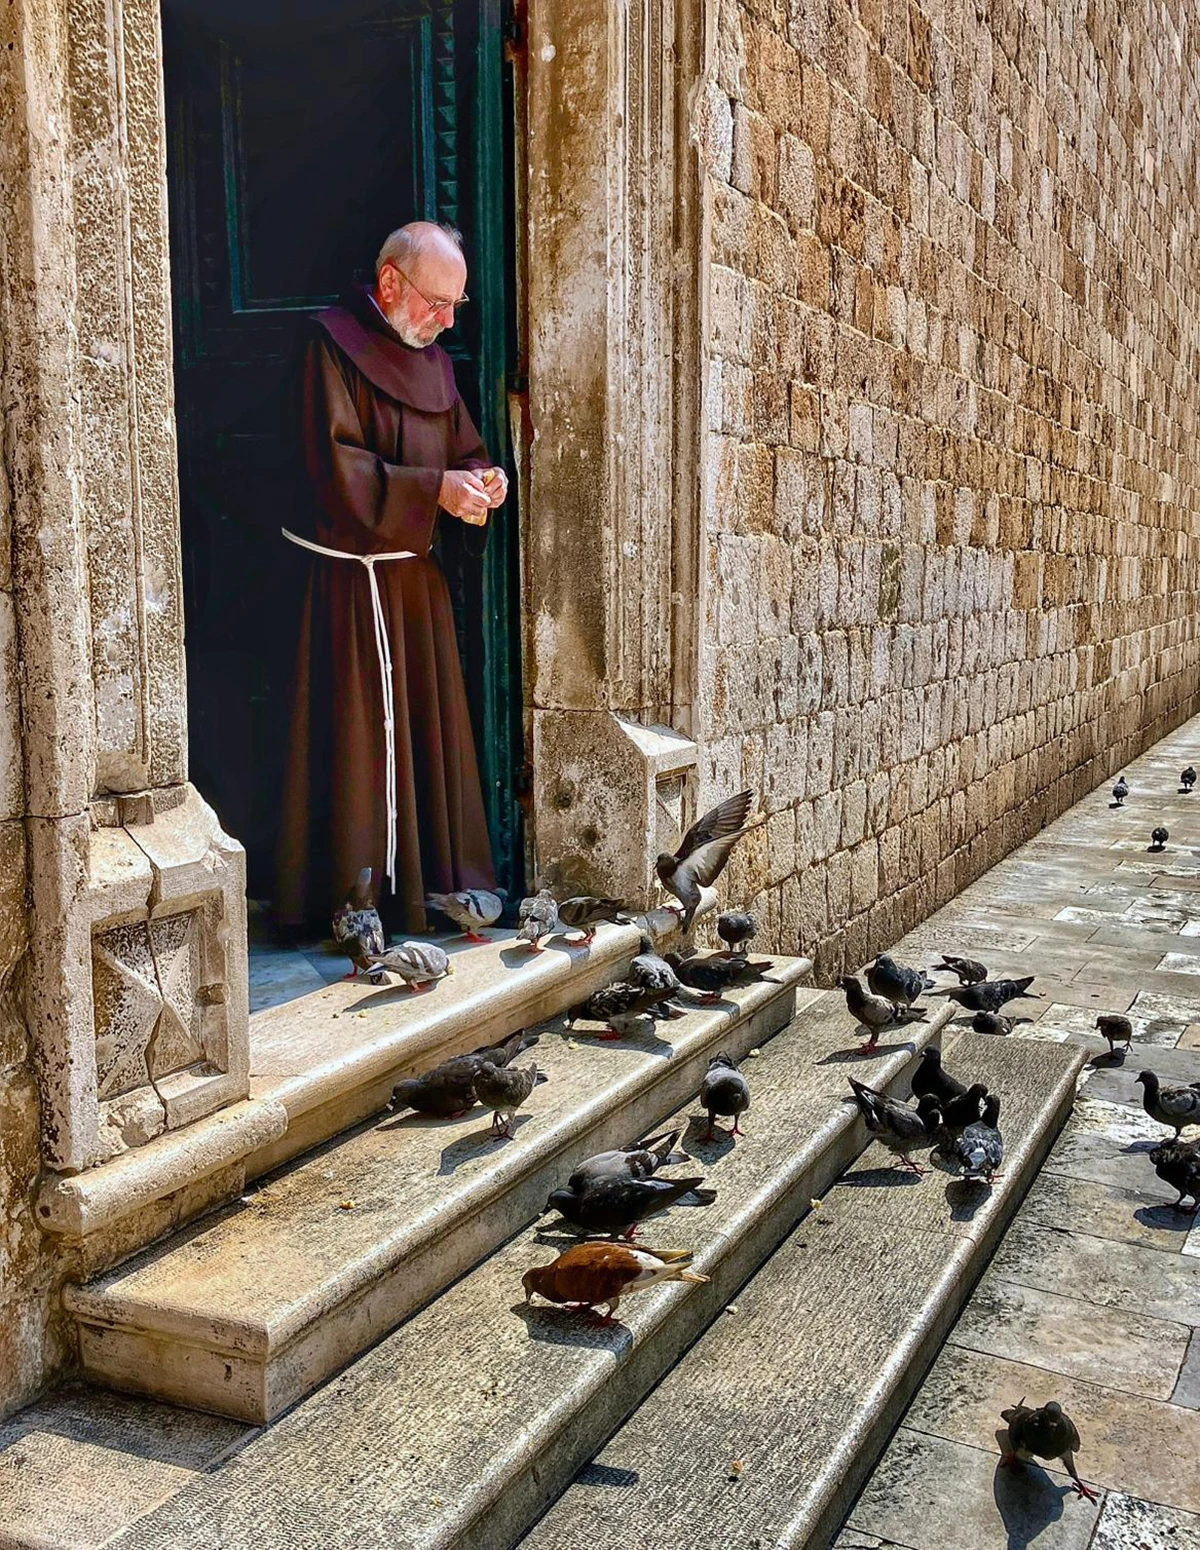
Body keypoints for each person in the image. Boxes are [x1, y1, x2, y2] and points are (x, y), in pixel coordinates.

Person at [275, 221, 507, 935]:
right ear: (388, 285)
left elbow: (462, 447)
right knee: (351, 748)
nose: (445, 322)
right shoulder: (329, 345)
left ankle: (436, 886)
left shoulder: (434, 360)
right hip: (349, 588)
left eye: (455, 308)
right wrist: (435, 490)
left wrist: (482, 479)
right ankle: (350, 903)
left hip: (414, 588)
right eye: (438, 303)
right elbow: (337, 470)